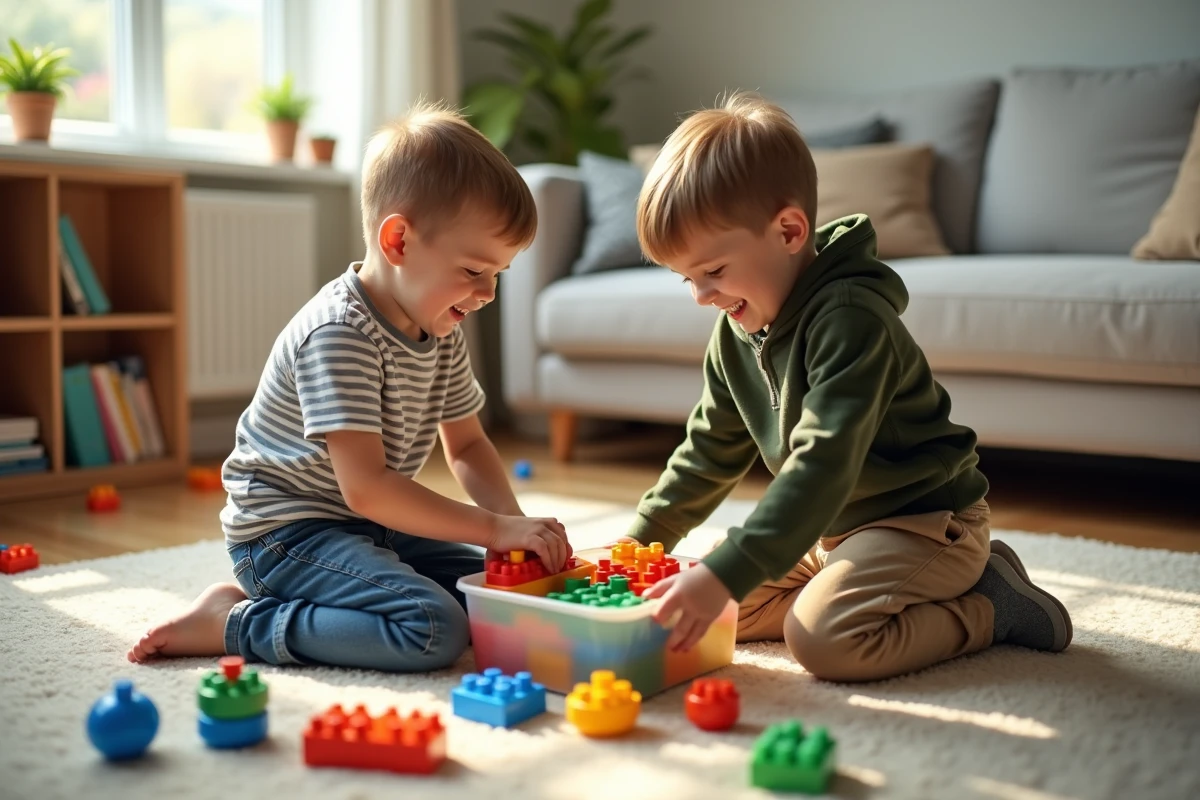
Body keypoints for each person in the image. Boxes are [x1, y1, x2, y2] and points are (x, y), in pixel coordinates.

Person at [624, 92, 1071, 682]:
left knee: (823, 640)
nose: (702, 296)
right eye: (687, 278)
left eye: (713, 271)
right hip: (828, 529)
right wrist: (638, 545)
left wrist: (732, 570)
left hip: (923, 522)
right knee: (706, 603)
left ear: (788, 231)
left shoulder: (852, 319)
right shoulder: (736, 329)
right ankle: (865, 585)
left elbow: (822, 463)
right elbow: (708, 450)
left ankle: (993, 605)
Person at [128, 102, 570, 672]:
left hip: (365, 527)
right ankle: (235, 623)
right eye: (472, 271)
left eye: (497, 275)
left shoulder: (442, 323)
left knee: (490, 596)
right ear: (399, 241)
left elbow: (467, 446)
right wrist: (491, 527)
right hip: (284, 535)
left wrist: (513, 536)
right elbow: (367, 488)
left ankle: (300, 604)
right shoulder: (339, 334)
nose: (486, 294)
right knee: (433, 627)